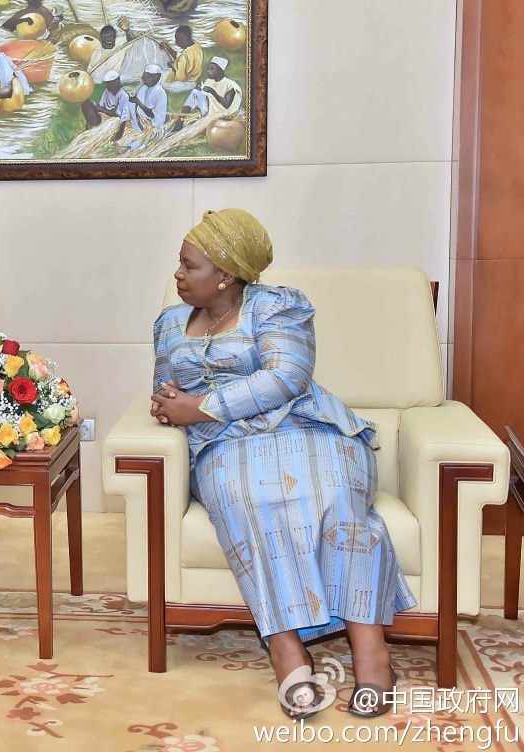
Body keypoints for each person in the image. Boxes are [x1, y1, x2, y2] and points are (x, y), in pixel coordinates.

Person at [150, 209, 415, 720]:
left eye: (189, 265)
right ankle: (286, 650)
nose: (178, 274)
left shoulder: (277, 306)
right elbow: (163, 390)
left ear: (226, 274)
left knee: (336, 496)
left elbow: (287, 377)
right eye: (180, 264)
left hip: (311, 429)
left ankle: (371, 651)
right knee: (250, 497)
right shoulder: (168, 324)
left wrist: (200, 405)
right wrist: (168, 405)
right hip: (226, 447)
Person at [126, 64, 169, 147]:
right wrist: (133, 101)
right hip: (142, 122)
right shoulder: (144, 88)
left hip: (153, 126)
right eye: (144, 76)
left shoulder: (160, 92)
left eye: (147, 77)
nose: (143, 78)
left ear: (157, 77)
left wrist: (138, 102)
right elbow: (137, 108)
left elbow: (151, 115)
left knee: (138, 143)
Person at [81, 70, 129, 140]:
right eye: (106, 84)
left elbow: (117, 115)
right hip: (104, 116)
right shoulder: (106, 91)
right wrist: (97, 107)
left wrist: (98, 108)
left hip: (114, 120)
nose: (106, 86)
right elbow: (101, 106)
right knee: (87, 103)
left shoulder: (124, 95)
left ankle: (93, 130)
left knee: (93, 107)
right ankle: (91, 127)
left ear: (116, 82)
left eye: (109, 84)